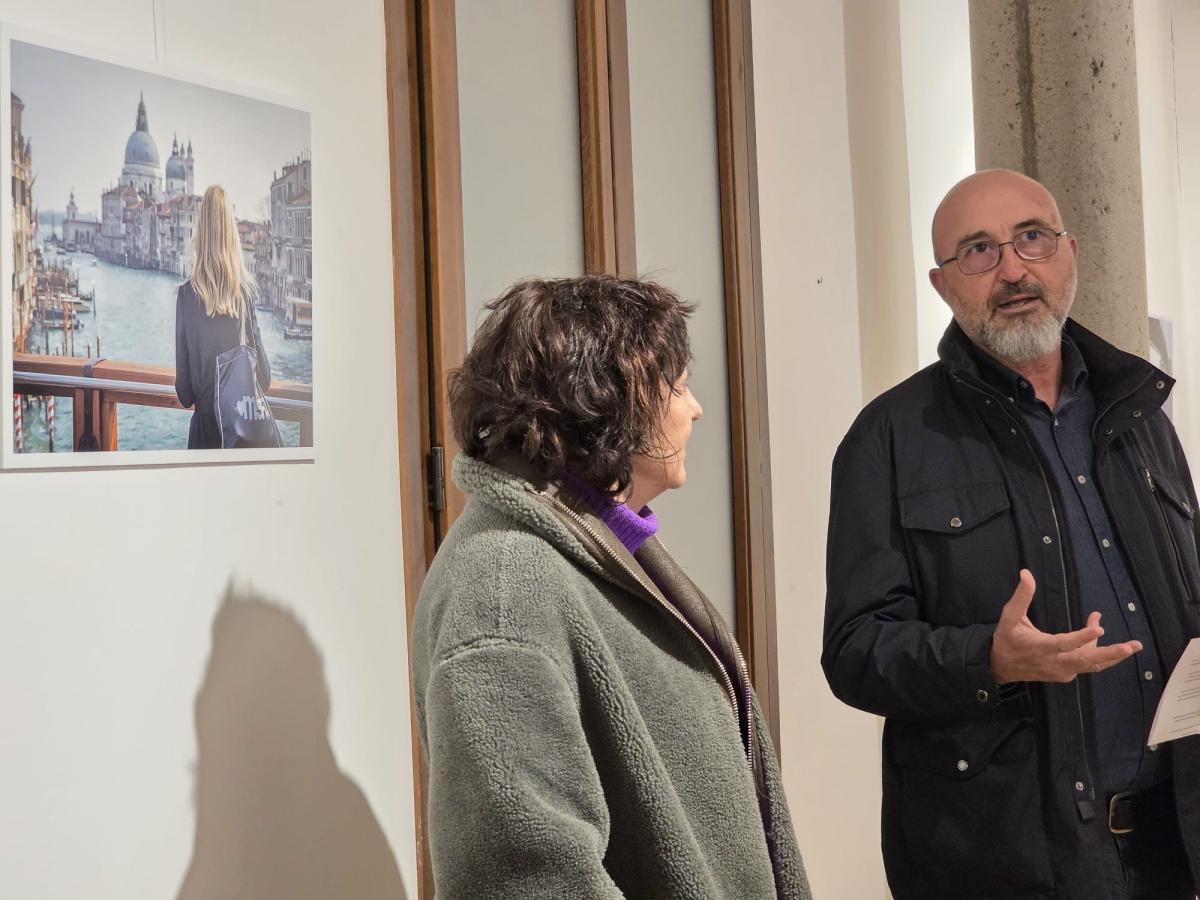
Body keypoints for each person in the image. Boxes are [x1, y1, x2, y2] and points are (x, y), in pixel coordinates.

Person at [823, 168, 1200, 899]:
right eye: (978, 250)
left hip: (1170, 846)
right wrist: (987, 659)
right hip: (1009, 858)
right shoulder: (890, 439)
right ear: (942, 285)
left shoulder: (1142, 417)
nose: (1013, 268)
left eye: (1032, 237)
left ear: (1069, 251)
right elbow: (855, 650)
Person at [412, 276, 808, 899]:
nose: (694, 407)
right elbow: (524, 880)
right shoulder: (505, 593)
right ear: (607, 402)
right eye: (675, 384)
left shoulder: (595, 544)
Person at [175, 184, 270, 449]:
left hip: (204, 439)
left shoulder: (185, 296)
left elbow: (184, 393)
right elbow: (264, 378)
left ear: (200, 233)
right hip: (240, 437)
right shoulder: (244, 295)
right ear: (232, 234)